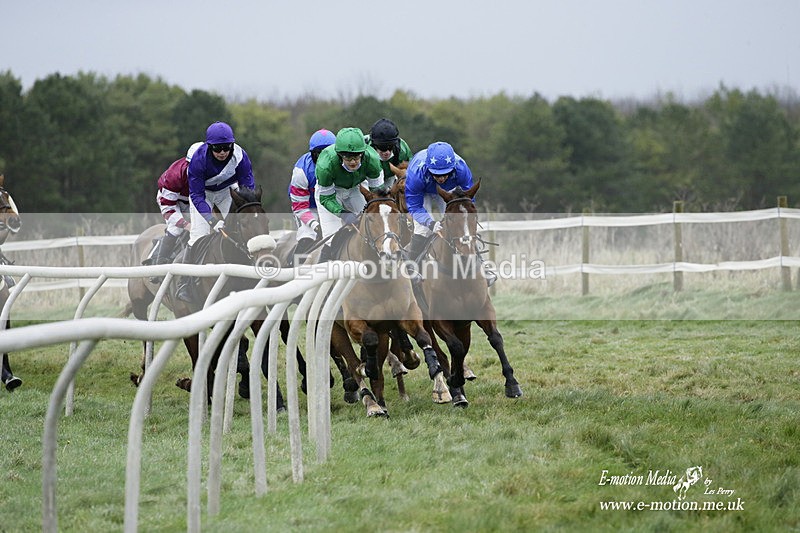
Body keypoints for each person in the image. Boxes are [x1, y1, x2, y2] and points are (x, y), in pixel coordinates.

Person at [176, 121, 256, 302]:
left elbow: (247, 187)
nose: (222, 152)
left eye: (226, 147)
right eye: (217, 148)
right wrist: (212, 220)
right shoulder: (198, 160)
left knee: (241, 228)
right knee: (198, 235)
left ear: (232, 145)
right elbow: (196, 196)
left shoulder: (240, 156)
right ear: (209, 147)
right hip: (203, 194)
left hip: (228, 191)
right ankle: (185, 282)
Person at [314, 127, 385, 260]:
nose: (353, 162)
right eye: (347, 157)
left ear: (363, 153)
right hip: (330, 194)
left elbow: (378, 195)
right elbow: (326, 198)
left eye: (357, 156)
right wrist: (343, 213)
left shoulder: (373, 160)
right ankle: (324, 271)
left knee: (373, 223)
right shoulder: (325, 165)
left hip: (355, 189)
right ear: (340, 155)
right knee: (332, 238)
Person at [144, 141, 203, 273]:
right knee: (176, 228)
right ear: (189, 164)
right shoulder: (175, 175)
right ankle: (158, 266)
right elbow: (168, 209)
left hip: (193, 200)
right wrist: (186, 225)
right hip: (171, 200)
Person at [288, 129, 336, 257]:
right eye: (319, 153)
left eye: (328, 153)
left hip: (332, 206)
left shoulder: (343, 165)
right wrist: (315, 225)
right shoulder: (301, 171)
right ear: (312, 153)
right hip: (308, 208)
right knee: (307, 236)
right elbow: (300, 207)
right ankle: (294, 265)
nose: (323, 158)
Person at [365, 118, 413, 189]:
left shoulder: (402, 149)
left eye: (391, 146)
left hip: (389, 176)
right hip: (367, 178)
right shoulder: (364, 148)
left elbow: (412, 169)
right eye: (382, 147)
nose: (387, 152)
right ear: (374, 144)